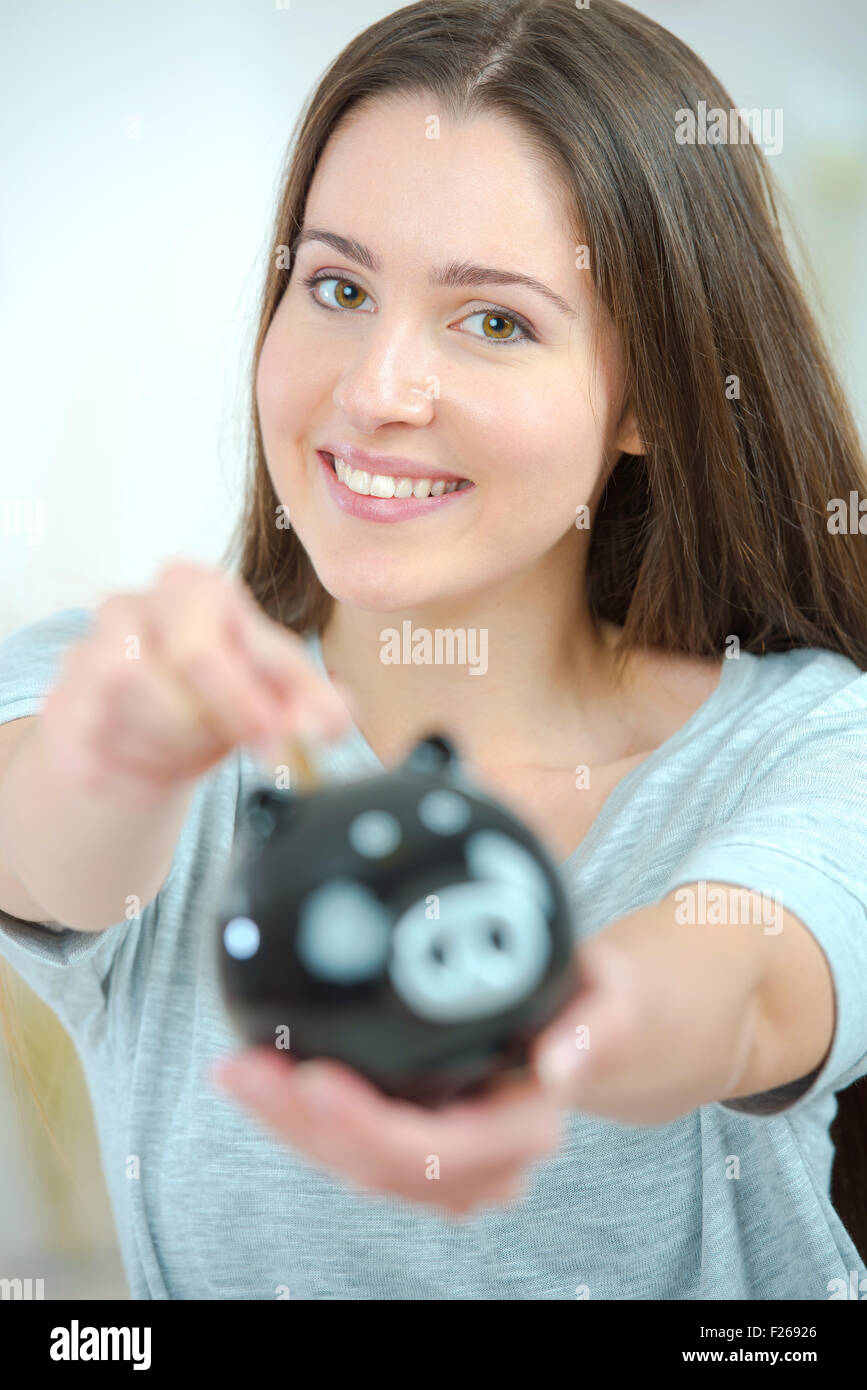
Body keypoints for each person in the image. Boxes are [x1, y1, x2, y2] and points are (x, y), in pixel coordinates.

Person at [1, 0, 866, 1300]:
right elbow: (46, 830)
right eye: (338, 288)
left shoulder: (811, 742)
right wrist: (117, 749)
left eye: (496, 321)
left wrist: (536, 1029)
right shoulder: (108, 685)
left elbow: (739, 988)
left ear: (648, 400)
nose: (375, 387)